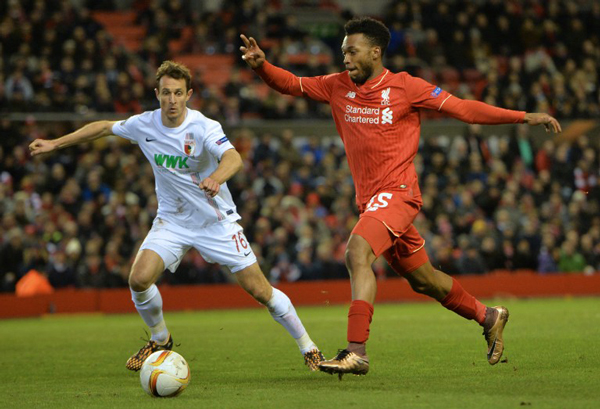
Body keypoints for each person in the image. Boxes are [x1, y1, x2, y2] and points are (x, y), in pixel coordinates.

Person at [240, 17, 562, 378]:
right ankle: (489, 316)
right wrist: (262, 67)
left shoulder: (406, 87)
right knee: (423, 280)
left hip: (398, 194)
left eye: (352, 50)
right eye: (344, 50)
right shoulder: (337, 86)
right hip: (372, 202)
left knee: (356, 252)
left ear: (375, 52)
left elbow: (464, 109)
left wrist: (523, 117)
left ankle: (356, 351)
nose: (344, 58)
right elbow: (293, 84)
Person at [29, 60, 324, 372]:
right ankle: (160, 339)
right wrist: (55, 143)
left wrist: (217, 178)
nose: (172, 100)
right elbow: (103, 127)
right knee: (139, 279)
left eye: (178, 93)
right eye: (166, 93)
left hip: (215, 222)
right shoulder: (144, 124)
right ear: (157, 94)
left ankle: (309, 347)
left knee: (261, 291)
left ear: (189, 95)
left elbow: (233, 157)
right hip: (173, 221)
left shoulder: (203, 127)